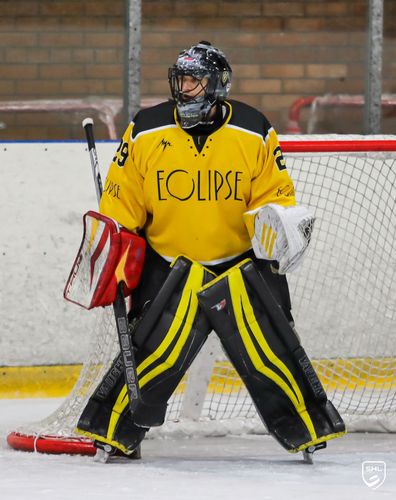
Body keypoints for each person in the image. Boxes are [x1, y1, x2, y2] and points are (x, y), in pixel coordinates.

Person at [75, 41, 345, 461]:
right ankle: (115, 431)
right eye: (181, 80)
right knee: (152, 351)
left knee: (272, 350)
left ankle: (307, 429)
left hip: (240, 264)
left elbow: (275, 196)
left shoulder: (254, 129)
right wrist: (115, 247)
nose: (184, 89)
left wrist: (278, 229)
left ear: (218, 84)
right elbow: (123, 199)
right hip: (169, 263)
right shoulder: (145, 128)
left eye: (195, 81)